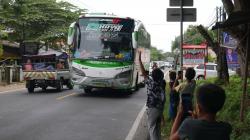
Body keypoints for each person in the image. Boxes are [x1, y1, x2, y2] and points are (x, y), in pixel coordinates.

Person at [138, 51, 166, 140]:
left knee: (152, 128)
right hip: (160, 108)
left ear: (153, 76)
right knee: (157, 128)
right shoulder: (162, 84)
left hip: (152, 108)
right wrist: (162, 114)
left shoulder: (151, 83)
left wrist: (139, 59)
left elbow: (143, 72)